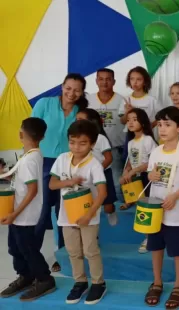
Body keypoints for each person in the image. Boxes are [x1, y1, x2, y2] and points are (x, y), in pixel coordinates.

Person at [31, 73, 88, 272]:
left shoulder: (81, 112)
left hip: (68, 164)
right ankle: (32, 257)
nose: (72, 93)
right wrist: (29, 161)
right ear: (62, 86)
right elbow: (30, 132)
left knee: (64, 212)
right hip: (44, 163)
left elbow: (85, 138)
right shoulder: (44, 103)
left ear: (82, 92)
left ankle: (62, 256)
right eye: (68, 88)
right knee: (42, 209)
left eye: (77, 90)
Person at [144, 107, 179, 309]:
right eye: (160, 125)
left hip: (175, 212)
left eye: (167, 125)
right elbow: (152, 173)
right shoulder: (156, 151)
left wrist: (176, 196)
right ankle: (157, 281)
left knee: (177, 250)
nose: (162, 129)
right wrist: (150, 176)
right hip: (154, 210)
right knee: (155, 247)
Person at [49, 120, 107, 305]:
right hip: (67, 215)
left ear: (92, 144)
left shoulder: (94, 164)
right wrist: (69, 181)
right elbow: (52, 184)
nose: (76, 147)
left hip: (88, 215)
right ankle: (80, 281)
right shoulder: (62, 159)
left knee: (90, 250)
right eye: (72, 142)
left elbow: (103, 193)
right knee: (73, 251)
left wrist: (90, 214)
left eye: (82, 143)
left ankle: (98, 283)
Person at [0, 118, 56, 301]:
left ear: (20, 134)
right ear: (42, 136)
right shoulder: (29, 155)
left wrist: (15, 213)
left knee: (28, 249)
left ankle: (44, 279)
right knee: (15, 248)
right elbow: (22, 182)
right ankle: (26, 276)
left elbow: (32, 190)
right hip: (18, 214)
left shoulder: (30, 159)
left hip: (24, 215)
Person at [118, 108, 158, 253]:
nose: (130, 122)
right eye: (128, 120)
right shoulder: (130, 142)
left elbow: (153, 162)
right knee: (141, 208)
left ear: (143, 121)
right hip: (136, 179)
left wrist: (134, 170)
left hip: (147, 178)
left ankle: (150, 238)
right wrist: (126, 173)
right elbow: (130, 162)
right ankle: (148, 236)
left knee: (147, 209)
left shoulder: (148, 140)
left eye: (135, 119)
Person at [86, 68, 126, 204]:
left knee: (116, 183)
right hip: (93, 149)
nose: (104, 82)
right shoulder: (88, 100)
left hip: (115, 148)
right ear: (96, 81)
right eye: (101, 79)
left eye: (108, 79)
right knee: (92, 181)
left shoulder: (122, 100)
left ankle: (121, 210)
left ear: (114, 81)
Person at [76, 109, 118, 226]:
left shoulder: (100, 138)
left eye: (81, 120)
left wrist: (98, 170)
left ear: (91, 121)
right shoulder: (78, 138)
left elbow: (109, 158)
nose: (77, 122)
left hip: (103, 173)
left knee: (107, 204)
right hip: (87, 175)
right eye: (76, 120)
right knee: (90, 202)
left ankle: (111, 212)